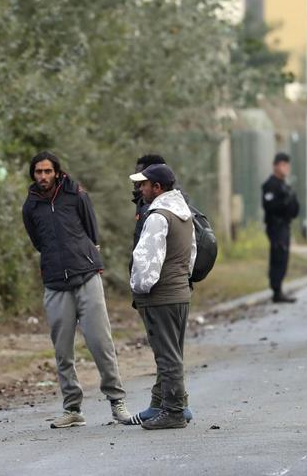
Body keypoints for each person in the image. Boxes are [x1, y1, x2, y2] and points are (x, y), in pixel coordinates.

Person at [21, 151, 131, 428]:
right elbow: (38, 241)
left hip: (86, 277)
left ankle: (117, 402)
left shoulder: (76, 194)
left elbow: (92, 231)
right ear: (33, 175)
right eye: (38, 172)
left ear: (57, 171)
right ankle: (72, 409)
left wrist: (84, 257)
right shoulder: (30, 206)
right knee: (62, 350)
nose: (43, 176)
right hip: (56, 284)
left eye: (47, 171)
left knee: (100, 342)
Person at [125, 154, 193, 426]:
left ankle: (174, 411)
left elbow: (146, 261)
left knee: (166, 356)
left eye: (144, 185)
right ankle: (171, 405)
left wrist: (140, 289)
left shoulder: (157, 217)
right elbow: (192, 255)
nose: (140, 190)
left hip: (160, 296)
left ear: (157, 187)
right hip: (180, 292)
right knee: (173, 352)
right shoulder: (184, 213)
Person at [262, 153, 299, 303]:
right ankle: (276, 290)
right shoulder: (270, 185)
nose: (286, 168)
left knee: (283, 257)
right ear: (276, 166)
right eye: (283, 165)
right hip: (275, 226)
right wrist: (284, 202)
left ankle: (278, 289)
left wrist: (291, 201)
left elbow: (295, 209)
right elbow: (269, 206)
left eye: (287, 165)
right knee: (278, 256)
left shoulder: (286, 186)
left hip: (285, 225)